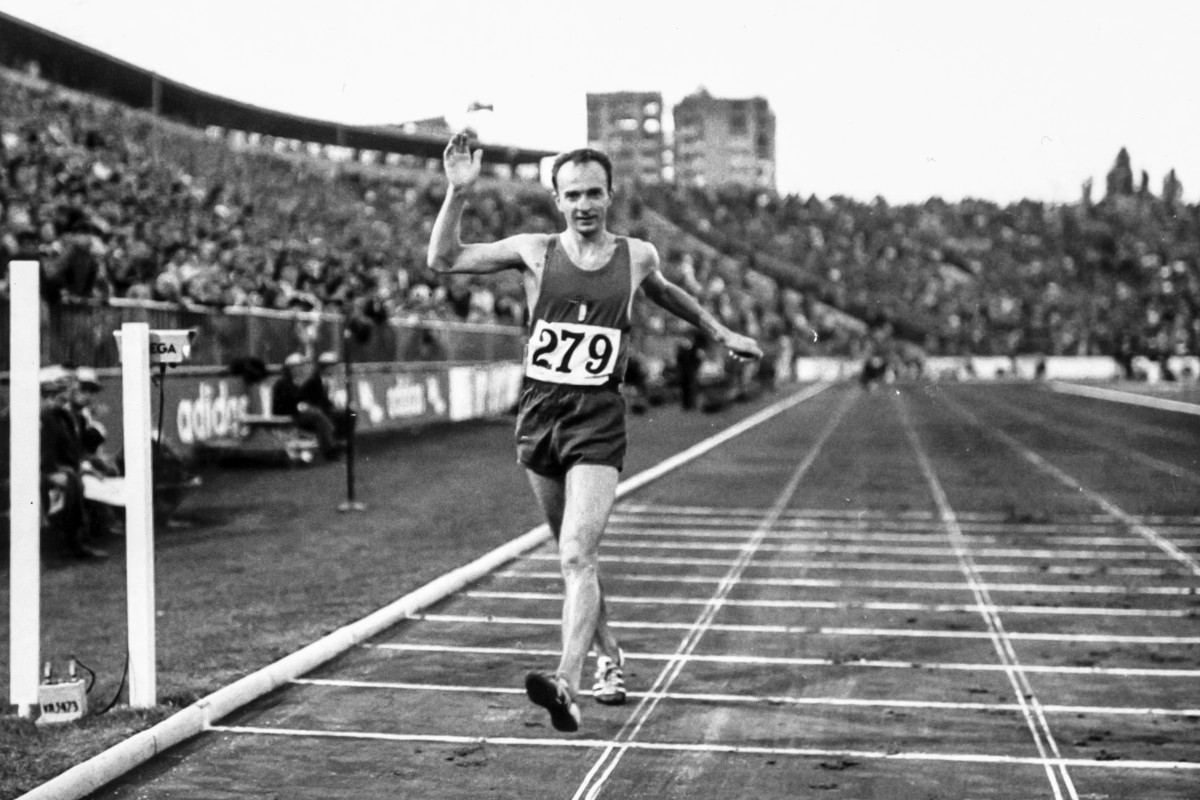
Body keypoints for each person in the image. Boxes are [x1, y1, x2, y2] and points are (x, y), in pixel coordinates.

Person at [427, 134, 762, 732]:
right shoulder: (534, 251)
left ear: (610, 196)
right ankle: (611, 656)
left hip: (597, 418)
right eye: (573, 195)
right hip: (540, 414)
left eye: (594, 194)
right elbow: (444, 259)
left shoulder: (637, 256)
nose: (584, 205)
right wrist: (457, 193)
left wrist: (721, 332)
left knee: (578, 553)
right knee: (570, 553)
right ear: (557, 200)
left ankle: (566, 682)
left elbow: (668, 294)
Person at [271, 353, 341, 459]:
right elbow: (284, 404)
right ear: (290, 369)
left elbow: (301, 398)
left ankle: (331, 445)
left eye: (300, 366)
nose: (300, 369)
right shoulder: (282, 384)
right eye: (297, 367)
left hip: (296, 412)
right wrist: (299, 406)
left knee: (319, 415)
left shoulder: (293, 382)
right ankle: (329, 448)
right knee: (318, 416)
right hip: (289, 414)